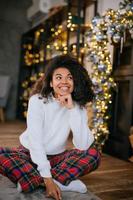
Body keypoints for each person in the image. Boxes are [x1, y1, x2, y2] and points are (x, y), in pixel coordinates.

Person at [0, 55, 101, 200]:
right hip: (29, 153)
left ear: (75, 81)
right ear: (51, 83)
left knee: (93, 154)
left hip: (58, 158)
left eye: (70, 77)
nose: (64, 82)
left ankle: (32, 179)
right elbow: (35, 142)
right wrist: (48, 180)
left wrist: (72, 108)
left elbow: (83, 145)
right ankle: (58, 180)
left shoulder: (77, 106)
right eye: (58, 77)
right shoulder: (37, 101)